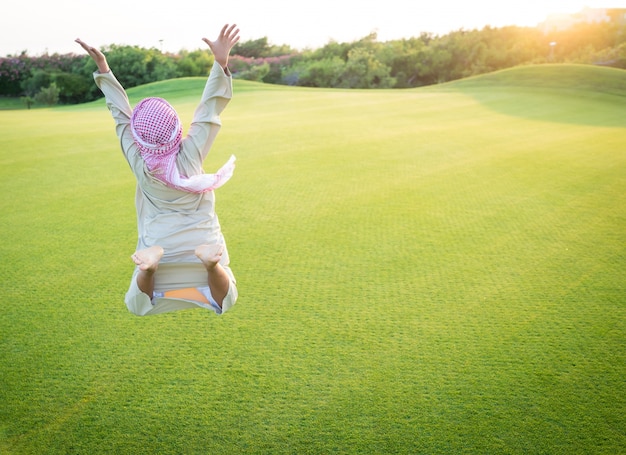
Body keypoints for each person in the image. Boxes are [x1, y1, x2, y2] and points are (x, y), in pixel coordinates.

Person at [76, 24, 240, 316]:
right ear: (177, 130)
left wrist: (104, 68)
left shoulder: (140, 163)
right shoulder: (191, 153)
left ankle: (150, 268)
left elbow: (120, 116)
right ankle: (211, 264)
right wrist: (220, 63)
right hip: (202, 240)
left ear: (139, 138)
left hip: (159, 242)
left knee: (137, 305)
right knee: (226, 300)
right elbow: (209, 110)